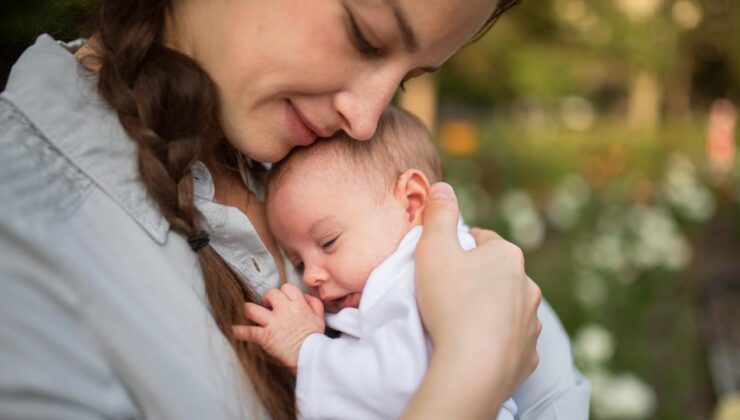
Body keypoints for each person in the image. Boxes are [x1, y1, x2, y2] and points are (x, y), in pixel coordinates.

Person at [0, 0, 543, 419]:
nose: (366, 120)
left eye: (405, 79)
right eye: (363, 36)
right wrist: (471, 371)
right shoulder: (25, 234)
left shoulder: (339, 165)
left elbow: (553, 389)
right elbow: (499, 344)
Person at [235, 106, 590, 419]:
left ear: (411, 202)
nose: (311, 275)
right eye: (297, 262)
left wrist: (308, 350)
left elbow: (408, 385)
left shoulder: (412, 276)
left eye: (328, 242)